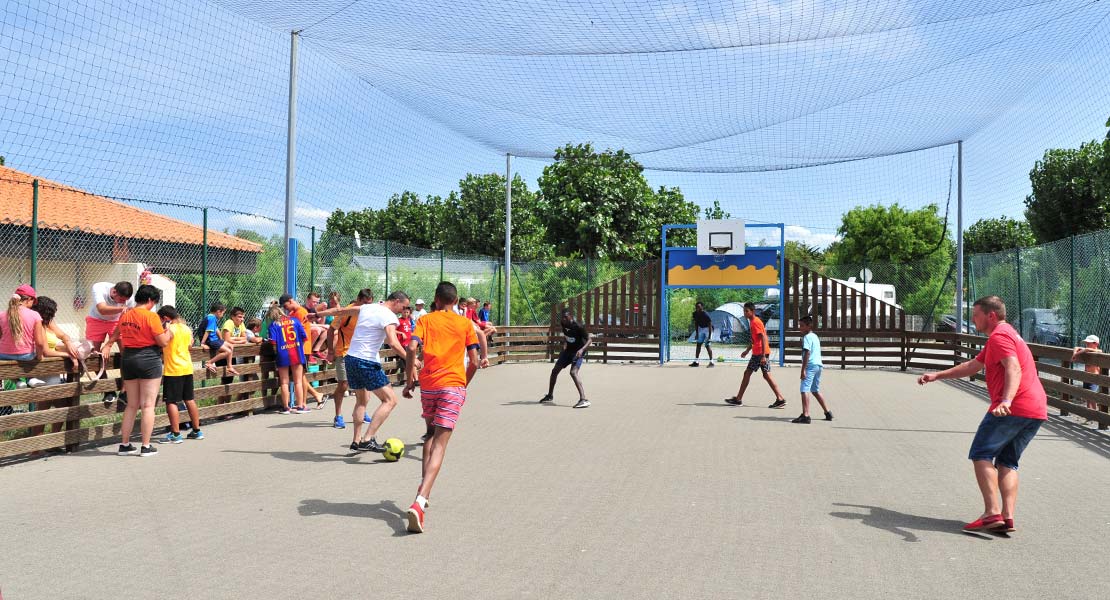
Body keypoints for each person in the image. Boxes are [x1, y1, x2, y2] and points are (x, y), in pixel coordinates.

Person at [918, 296, 1048, 533]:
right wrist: (938, 375)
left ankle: (991, 513)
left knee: (981, 453)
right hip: (1035, 409)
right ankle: (1007, 517)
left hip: (1013, 406)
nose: (972, 319)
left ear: (991, 315)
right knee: (1008, 461)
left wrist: (1007, 400)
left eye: (976, 314)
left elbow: (1013, 367)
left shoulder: (999, 337)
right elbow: (973, 366)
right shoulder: (1005, 334)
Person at [402, 281, 484, 533]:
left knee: (429, 434)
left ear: (436, 300)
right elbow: (474, 360)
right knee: (440, 443)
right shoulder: (464, 324)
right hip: (453, 386)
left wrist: (409, 380)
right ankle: (420, 500)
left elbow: (412, 347)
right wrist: (463, 384)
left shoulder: (426, 320)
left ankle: (422, 488)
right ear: (456, 300)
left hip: (429, 385)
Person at [318, 291, 411, 452]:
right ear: (396, 301)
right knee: (390, 400)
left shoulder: (368, 308)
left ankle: (356, 440)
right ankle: (368, 439)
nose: (403, 310)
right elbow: (393, 343)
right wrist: (410, 359)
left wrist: (317, 314)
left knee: (362, 400)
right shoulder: (389, 316)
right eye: (403, 306)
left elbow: (339, 311)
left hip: (351, 359)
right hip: (366, 361)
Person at [107, 284, 173, 457]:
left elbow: (116, 334)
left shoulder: (126, 315)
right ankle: (145, 446)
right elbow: (162, 342)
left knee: (131, 405)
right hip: (149, 359)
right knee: (148, 405)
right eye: (154, 303)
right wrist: (169, 333)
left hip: (128, 359)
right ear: (151, 300)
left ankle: (125, 444)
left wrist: (107, 344)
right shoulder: (151, 317)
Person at [325, 288, 374, 429]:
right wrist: (330, 351)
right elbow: (331, 329)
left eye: (369, 304)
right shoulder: (346, 312)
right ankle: (338, 416)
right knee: (344, 384)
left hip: (361, 353)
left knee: (364, 385)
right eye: (364, 303)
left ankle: (361, 410)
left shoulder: (370, 313)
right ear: (358, 299)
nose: (366, 306)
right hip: (344, 352)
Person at [726, 302, 786, 408]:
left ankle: (739, 399)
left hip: (760, 353)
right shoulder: (752, 322)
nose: (745, 313)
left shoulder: (755, 322)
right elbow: (755, 340)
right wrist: (747, 350)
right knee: (762, 375)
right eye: (744, 311)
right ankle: (779, 398)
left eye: (747, 311)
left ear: (752, 311)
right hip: (759, 352)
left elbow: (763, 337)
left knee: (754, 374)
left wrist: (763, 355)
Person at [157, 306, 203, 443]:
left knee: (171, 401)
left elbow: (162, 342)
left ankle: (175, 434)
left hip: (173, 369)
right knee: (189, 399)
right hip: (187, 367)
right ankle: (196, 430)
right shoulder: (186, 329)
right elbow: (190, 345)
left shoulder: (169, 329)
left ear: (166, 318)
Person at [84, 281, 134, 403]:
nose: (123, 302)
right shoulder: (99, 287)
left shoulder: (130, 299)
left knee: (126, 351)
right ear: (114, 292)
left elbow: (123, 321)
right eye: (120, 299)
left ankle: (125, 390)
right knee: (94, 354)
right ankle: (108, 390)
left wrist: (109, 344)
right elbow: (102, 309)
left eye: (125, 301)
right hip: (96, 319)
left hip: (117, 323)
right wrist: (122, 308)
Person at [539, 308, 591, 408]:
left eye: (566, 317)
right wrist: (564, 345)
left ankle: (583, 399)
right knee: (554, 371)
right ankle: (550, 395)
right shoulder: (563, 324)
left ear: (571, 316)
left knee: (573, 372)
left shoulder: (578, 326)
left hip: (578, 352)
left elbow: (589, 340)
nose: (564, 319)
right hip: (568, 352)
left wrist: (581, 350)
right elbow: (567, 336)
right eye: (562, 317)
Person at [281, 294, 325, 406]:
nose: (285, 308)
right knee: (300, 376)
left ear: (290, 301)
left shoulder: (302, 312)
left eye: (286, 305)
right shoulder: (291, 314)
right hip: (294, 349)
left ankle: (304, 402)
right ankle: (315, 396)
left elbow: (303, 333)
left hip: (303, 348)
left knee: (300, 377)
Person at [268, 304, 308, 414]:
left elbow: (273, 342)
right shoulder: (295, 321)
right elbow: (304, 337)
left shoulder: (273, 325)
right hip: (296, 352)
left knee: (284, 382)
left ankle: (286, 407)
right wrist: (298, 347)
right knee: (298, 381)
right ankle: (300, 406)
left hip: (283, 354)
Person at [792, 316, 833, 424]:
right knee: (815, 390)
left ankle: (806, 415)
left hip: (810, 366)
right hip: (818, 366)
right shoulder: (815, 336)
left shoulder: (807, 337)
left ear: (808, 326)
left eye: (801, 326)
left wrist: (803, 370)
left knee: (804, 389)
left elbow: (807, 352)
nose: (800, 328)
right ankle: (828, 412)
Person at [0, 285, 45, 362]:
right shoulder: (35, 315)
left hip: (3, 354)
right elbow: (39, 343)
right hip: (25, 356)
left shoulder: (1, 315)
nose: (33, 304)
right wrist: (40, 357)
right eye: (33, 301)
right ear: (29, 299)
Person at [202, 302, 238, 376]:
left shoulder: (211, 317)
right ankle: (209, 362)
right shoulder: (212, 318)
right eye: (223, 313)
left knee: (231, 345)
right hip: (211, 340)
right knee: (227, 351)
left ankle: (229, 366)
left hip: (215, 339)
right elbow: (208, 331)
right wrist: (203, 343)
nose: (222, 315)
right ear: (218, 312)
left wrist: (221, 340)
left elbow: (217, 329)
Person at [1071, 335, 1102, 411]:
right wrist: (1074, 352)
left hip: (1094, 377)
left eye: (1089, 343)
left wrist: (1075, 354)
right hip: (1086, 376)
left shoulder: (1097, 352)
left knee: (1092, 395)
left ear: (1096, 344)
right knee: (1087, 395)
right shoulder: (1087, 350)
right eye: (1086, 343)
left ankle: (1094, 412)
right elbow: (1076, 347)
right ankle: (1088, 411)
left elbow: (1088, 349)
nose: (1087, 344)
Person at [689, 301, 714, 368]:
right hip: (701, 329)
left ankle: (712, 362)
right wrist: (697, 333)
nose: (697, 308)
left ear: (702, 307)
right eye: (696, 307)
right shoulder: (695, 314)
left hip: (708, 329)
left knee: (707, 345)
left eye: (699, 307)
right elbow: (696, 323)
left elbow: (710, 325)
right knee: (698, 344)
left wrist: (709, 337)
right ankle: (696, 362)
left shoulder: (705, 314)